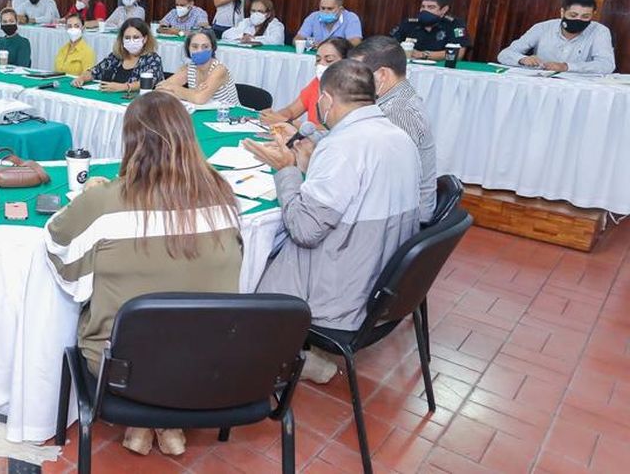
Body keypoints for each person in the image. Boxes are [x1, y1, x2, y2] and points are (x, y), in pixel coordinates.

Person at [46, 90, 242, 456]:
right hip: (205, 361)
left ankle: (144, 419)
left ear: (131, 142)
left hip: (122, 367)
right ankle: (166, 420)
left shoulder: (103, 201)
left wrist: (90, 196)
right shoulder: (223, 195)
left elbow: (59, 246)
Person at [244, 60, 420, 383]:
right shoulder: (400, 137)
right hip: (386, 286)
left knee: (252, 256)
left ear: (326, 99)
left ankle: (286, 356)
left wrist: (287, 170)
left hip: (345, 296)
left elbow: (304, 230)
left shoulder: (342, 146)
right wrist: (310, 164)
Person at [348, 36, 437, 224]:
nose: (352, 80)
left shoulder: (399, 112)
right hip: (390, 208)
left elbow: (381, 178)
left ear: (382, 74)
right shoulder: (392, 99)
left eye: (358, 73)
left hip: (400, 220)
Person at [497, 0, 615, 74]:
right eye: (573, 15)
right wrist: (522, 59)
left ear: (593, 15)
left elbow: (607, 65)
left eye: (585, 16)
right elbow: (504, 54)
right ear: (562, 12)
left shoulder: (600, 31)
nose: (578, 20)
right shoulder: (543, 27)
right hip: (540, 84)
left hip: (577, 88)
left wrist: (566, 67)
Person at [261, 38, 351, 129]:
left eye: (329, 60)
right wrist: (274, 116)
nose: (321, 64)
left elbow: (332, 130)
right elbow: (292, 110)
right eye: (318, 60)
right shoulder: (317, 82)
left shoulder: (351, 91)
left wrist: (286, 122)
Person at [71, 18, 164, 93]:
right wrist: (82, 78)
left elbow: (149, 82)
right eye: (127, 38)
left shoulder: (152, 59)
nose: (131, 41)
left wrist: (124, 87)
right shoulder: (116, 57)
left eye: (136, 37)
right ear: (122, 39)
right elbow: (95, 71)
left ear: (145, 39)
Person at [157, 30, 240, 106]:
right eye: (195, 46)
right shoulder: (188, 68)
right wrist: (193, 93)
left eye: (205, 47)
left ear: (212, 48)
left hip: (231, 114)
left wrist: (174, 88)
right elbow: (160, 88)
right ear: (188, 49)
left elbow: (199, 99)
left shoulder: (219, 69)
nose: (199, 50)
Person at [390, 0, 471, 60]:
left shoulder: (455, 25)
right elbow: (390, 45)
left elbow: (459, 54)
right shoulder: (409, 24)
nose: (425, 10)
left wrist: (422, 55)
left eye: (431, 7)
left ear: (444, 9)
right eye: (423, 7)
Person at [295, 0, 363, 46]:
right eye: (323, 8)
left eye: (330, 9)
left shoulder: (351, 18)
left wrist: (325, 46)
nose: (325, 12)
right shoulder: (313, 17)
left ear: (341, 10)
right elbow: (297, 39)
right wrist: (312, 44)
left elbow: (355, 43)